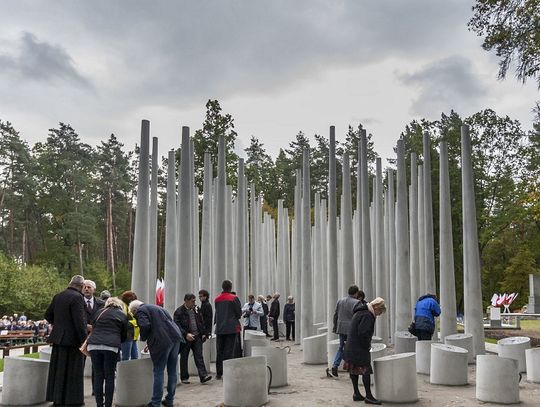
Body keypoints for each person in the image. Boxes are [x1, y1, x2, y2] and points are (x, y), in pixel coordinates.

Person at [130, 300, 184, 407]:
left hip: (162, 341)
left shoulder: (140, 311)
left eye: (133, 314)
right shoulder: (158, 308)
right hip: (175, 338)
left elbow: (145, 326)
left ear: (135, 310)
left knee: (158, 371)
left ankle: (155, 402)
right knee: (172, 370)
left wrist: (144, 338)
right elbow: (163, 325)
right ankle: (169, 400)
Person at [44, 275, 88, 406]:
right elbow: (80, 322)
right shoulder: (78, 298)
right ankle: (73, 400)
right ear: (81, 286)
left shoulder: (58, 296)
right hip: (73, 341)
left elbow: (47, 315)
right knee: (73, 372)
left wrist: (59, 325)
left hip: (58, 339)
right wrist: (84, 341)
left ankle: (57, 399)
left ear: (70, 283)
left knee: (58, 371)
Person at [343, 297, 386, 405]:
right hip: (359, 347)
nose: (379, 314)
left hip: (351, 346)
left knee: (353, 369)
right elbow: (363, 333)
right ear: (376, 308)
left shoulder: (360, 311)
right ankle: (369, 396)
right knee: (366, 370)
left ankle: (356, 393)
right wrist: (367, 345)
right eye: (380, 312)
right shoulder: (368, 315)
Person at [87, 297, 128, 407]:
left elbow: (93, 326)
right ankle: (108, 405)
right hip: (111, 346)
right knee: (109, 376)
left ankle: (99, 404)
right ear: (119, 305)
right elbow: (124, 334)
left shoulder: (98, 312)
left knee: (98, 375)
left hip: (93, 345)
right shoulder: (122, 315)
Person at [174, 293, 212, 385]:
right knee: (184, 357)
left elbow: (201, 321)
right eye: (192, 301)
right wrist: (186, 334)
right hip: (185, 338)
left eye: (195, 300)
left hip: (197, 336)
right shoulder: (179, 312)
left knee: (199, 356)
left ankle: (203, 376)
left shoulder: (196, 309)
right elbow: (176, 325)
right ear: (186, 301)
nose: (194, 302)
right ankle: (184, 377)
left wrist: (203, 333)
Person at [329, 285, 363, 377]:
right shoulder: (357, 303)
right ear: (356, 293)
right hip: (352, 330)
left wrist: (335, 327)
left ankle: (335, 365)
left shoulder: (340, 301)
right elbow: (359, 318)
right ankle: (351, 369)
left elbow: (335, 315)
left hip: (341, 328)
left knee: (341, 347)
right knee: (353, 349)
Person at [214, 279, 242, 379]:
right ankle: (227, 371)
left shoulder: (217, 299)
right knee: (229, 350)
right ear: (230, 287)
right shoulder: (234, 298)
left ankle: (219, 373)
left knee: (219, 350)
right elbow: (239, 314)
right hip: (231, 328)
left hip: (220, 328)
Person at [119, 291, 140, 360]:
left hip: (133, 336)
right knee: (126, 357)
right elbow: (123, 321)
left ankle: (133, 370)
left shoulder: (128, 306)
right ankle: (123, 370)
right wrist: (136, 323)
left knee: (135, 357)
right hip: (127, 336)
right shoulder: (123, 306)